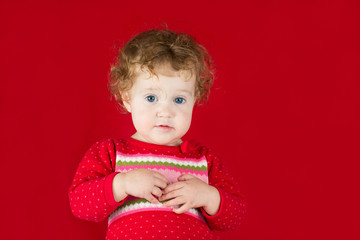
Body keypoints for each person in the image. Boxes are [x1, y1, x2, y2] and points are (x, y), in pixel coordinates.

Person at [69, 28, 246, 240]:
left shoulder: (204, 159)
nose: (166, 112)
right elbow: (80, 204)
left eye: (179, 100)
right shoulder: (111, 152)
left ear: (194, 100)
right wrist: (122, 184)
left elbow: (234, 217)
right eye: (151, 98)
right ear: (127, 98)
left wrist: (208, 196)